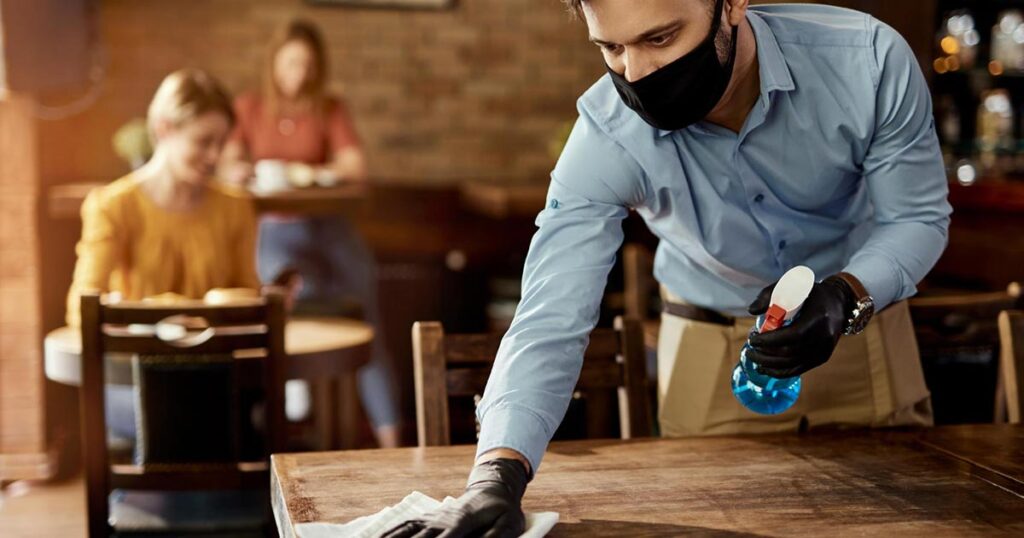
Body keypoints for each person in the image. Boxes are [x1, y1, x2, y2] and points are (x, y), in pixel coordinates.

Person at [384, 0, 952, 536]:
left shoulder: (868, 61)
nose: (637, 73)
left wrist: (848, 292)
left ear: (732, 4)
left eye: (661, 37)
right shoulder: (608, 136)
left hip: (863, 336)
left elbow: (918, 219)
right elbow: (549, 316)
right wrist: (497, 475)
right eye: (611, 48)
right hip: (710, 360)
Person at [220, 19, 401, 448]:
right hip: (276, 232)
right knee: (279, 324)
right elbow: (226, 166)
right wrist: (242, 169)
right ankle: (290, 441)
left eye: (307, 64)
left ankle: (395, 443)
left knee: (368, 324)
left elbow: (354, 167)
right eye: (291, 63)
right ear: (274, 62)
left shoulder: (329, 108)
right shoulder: (249, 107)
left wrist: (311, 173)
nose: (299, 73)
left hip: (330, 229)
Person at [66, 68, 260, 438]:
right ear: (164, 128)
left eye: (221, 143)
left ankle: (152, 495)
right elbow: (81, 306)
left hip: (216, 377)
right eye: (204, 141)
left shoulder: (236, 207)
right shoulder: (112, 206)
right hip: (137, 380)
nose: (215, 155)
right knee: (184, 418)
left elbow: (247, 293)